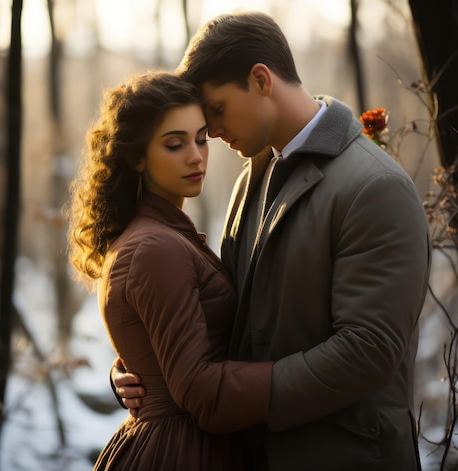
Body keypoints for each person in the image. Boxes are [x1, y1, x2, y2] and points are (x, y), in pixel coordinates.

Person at [112, 10, 432, 471]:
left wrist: (225, 399)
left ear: (261, 79)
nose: (213, 134)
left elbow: (369, 349)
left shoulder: (374, 187)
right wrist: (146, 371)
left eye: (217, 110)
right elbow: (228, 315)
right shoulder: (252, 178)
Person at [66, 71, 273, 471]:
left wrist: (130, 371)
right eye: (175, 144)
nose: (196, 156)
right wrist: (304, 373)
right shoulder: (155, 247)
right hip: (182, 452)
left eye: (200, 139)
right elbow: (198, 389)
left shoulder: (162, 235)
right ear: (138, 156)